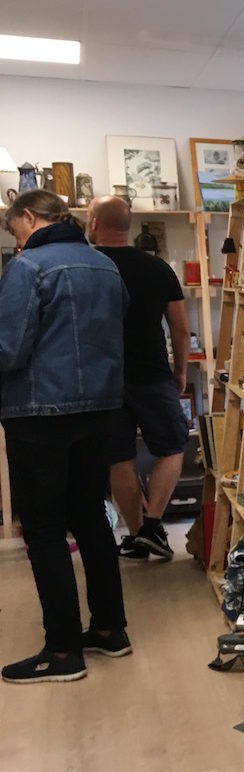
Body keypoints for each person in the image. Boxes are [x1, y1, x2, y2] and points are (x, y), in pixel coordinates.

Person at [0, 190, 130, 683]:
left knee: (44, 529)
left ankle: (61, 651)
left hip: (40, 411)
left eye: (14, 229)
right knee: (91, 517)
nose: (16, 240)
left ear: (28, 217)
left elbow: (9, 349)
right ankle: (110, 630)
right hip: (100, 407)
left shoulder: (27, 267)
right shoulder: (104, 266)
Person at [87, 196, 190, 559]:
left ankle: (136, 535)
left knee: (118, 457)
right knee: (173, 445)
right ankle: (151, 527)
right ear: (127, 225)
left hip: (101, 378)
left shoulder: (87, 267)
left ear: (93, 223)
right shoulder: (157, 268)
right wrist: (181, 370)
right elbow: (180, 329)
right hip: (151, 373)